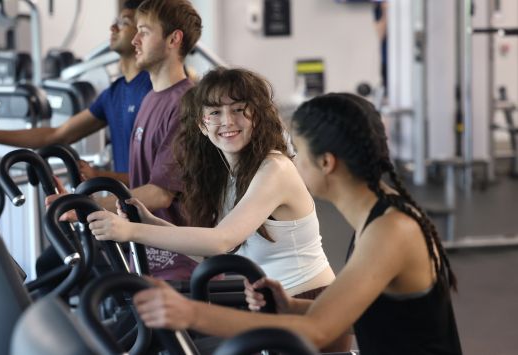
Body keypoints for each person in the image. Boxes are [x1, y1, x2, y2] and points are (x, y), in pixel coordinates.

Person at [125, 93, 463, 354]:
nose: (293, 161)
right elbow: (383, 318)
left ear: (327, 163)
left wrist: (190, 313)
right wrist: (293, 306)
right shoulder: (379, 217)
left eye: (298, 151)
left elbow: (317, 331)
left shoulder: (391, 230)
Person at [49, 0, 203, 281]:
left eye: (144, 31)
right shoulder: (150, 100)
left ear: (173, 39)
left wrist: (84, 205)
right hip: (145, 260)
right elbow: (141, 178)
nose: (135, 39)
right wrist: (87, 197)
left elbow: (159, 193)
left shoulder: (185, 104)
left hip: (179, 271)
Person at [0, 0, 151, 184]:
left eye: (124, 23)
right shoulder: (115, 92)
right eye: (115, 22)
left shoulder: (152, 90)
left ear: (142, 33)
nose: (113, 28)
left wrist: (100, 175)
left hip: (153, 213)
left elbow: (158, 183)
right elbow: (57, 134)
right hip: (128, 208)